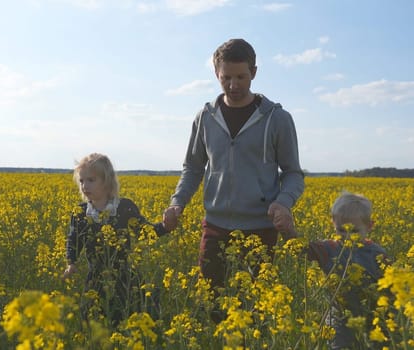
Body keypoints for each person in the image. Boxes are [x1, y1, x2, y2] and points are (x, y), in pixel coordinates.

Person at [162, 38, 305, 317]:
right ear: (216, 74)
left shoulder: (277, 119)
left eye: (241, 76)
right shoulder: (205, 117)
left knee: (256, 313)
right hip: (216, 227)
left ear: (254, 72)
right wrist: (178, 203)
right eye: (226, 77)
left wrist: (283, 202)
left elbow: (293, 173)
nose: (233, 85)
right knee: (211, 309)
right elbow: (193, 168)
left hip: (260, 230)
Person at [63, 153, 171, 326]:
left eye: (91, 180)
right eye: (81, 181)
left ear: (106, 182)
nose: (85, 186)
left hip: (124, 276)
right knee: (91, 320)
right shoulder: (80, 213)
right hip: (96, 277)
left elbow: (145, 231)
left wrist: (166, 226)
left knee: (131, 315)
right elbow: (74, 240)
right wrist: (71, 263)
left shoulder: (124, 207)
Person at [306, 191, 390, 349]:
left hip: (372, 320)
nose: (347, 237)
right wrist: (286, 228)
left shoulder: (378, 254)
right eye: (342, 230)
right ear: (333, 223)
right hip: (339, 323)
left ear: (370, 226)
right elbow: (302, 250)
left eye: (354, 231)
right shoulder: (328, 248)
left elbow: (391, 289)